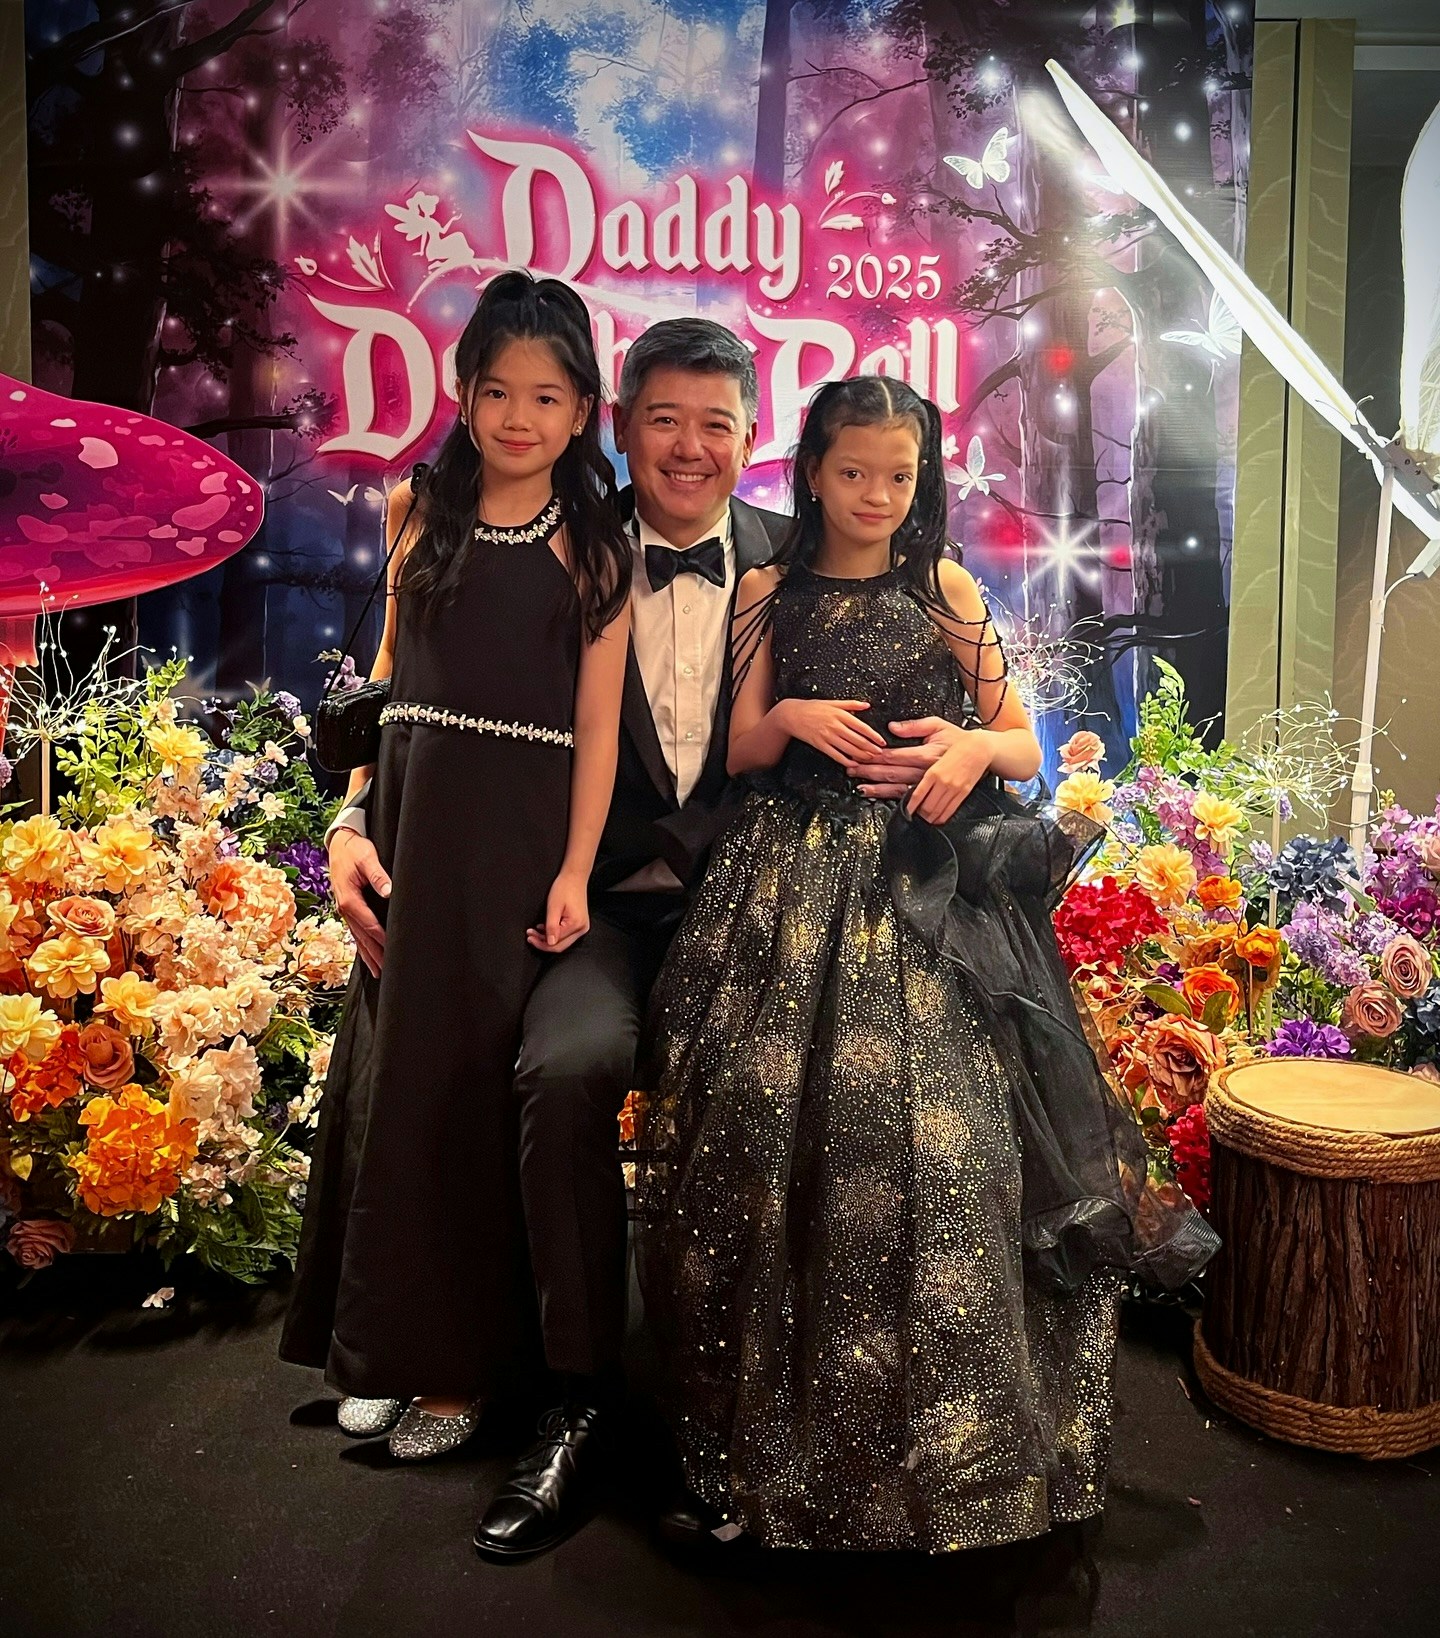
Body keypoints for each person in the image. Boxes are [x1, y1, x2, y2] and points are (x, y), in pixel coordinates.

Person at [318, 320, 968, 1560]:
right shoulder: (558, 544)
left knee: (812, 1086)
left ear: (755, 438)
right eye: (663, 418)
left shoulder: (808, 556)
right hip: (602, 912)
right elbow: (422, 686)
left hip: (770, 916)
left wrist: (976, 748)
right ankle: (574, 1397)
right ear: (618, 426)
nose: (689, 446)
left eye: (717, 423)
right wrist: (351, 815)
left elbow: (942, 686)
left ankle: (771, 1407)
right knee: (562, 1071)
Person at [635, 375, 1217, 1553]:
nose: (876, 495)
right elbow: (738, 747)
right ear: (811, 471)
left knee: (944, 1155)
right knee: (768, 1139)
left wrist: (963, 748)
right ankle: (775, 1454)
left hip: (928, 896)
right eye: (854, 472)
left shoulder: (943, 586)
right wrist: (789, 721)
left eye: (898, 476)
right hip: (790, 883)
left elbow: (1023, 743)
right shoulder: (768, 589)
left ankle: (953, 1464)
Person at [279, 274, 631, 1498]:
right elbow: (383, 681)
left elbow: (598, 728)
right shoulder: (414, 507)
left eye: (547, 397)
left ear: (582, 410)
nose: (519, 418)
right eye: (497, 392)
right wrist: (349, 819)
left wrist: (576, 869)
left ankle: (459, 1372)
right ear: (464, 392)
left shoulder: (599, 544)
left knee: (473, 1094)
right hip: (411, 822)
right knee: (394, 1081)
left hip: (516, 839)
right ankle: (382, 1346)